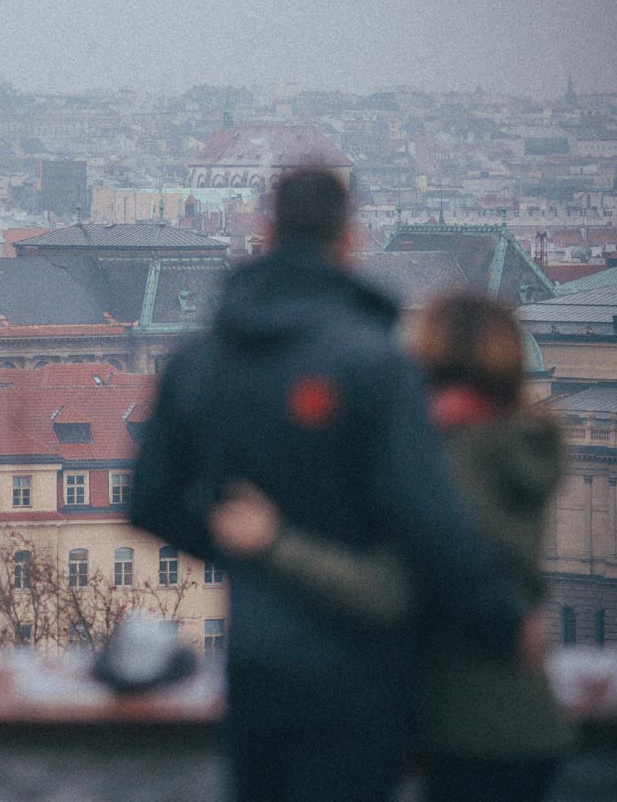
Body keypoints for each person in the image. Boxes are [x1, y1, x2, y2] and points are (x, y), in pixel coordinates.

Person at [130, 167, 528, 802]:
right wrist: (501, 617)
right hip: (364, 670)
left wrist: (245, 552)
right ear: (350, 241)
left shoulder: (198, 360)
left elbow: (148, 500)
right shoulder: (376, 361)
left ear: (264, 232)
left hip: (256, 665)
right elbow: (427, 517)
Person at [218, 292, 571, 802]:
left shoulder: (450, 457)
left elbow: (387, 592)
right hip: (525, 718)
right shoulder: (521, 442)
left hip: (465, 728)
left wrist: (274, 542)